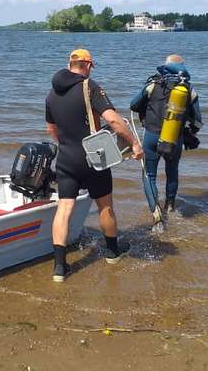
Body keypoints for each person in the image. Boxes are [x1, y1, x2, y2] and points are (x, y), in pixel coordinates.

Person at [45, 48, 143, 282]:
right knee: (105, 206)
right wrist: (134, 143)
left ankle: (60, 267)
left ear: (70, 64)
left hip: (66, 158)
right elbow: (112, 119)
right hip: (93, 158)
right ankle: (112, 252)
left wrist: (68, 147)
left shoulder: (51, 94)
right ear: (87, 65)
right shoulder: (90, 87)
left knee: (64, 209)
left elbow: (51, 129)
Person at [130, 54, 202, 215]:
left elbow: (133, 105)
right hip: (174, 138)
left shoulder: (153, 84)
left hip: (151, 136)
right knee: (172, 172)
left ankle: (156, 214)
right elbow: (197, 121)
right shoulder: (188, 89)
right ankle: (170, 206)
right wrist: (189, 133)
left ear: (166, 66)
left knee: (149, 175)